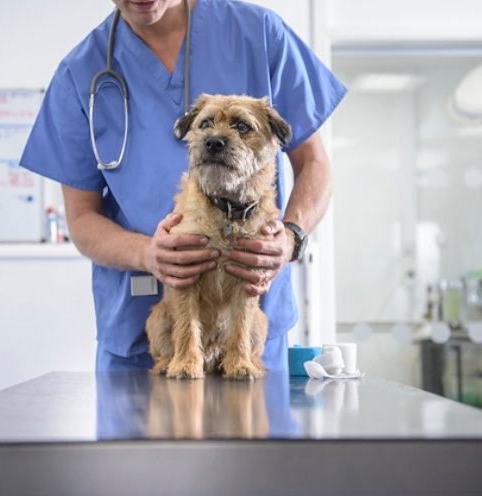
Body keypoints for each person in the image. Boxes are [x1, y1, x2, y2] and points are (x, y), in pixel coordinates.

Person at [20, 0, 346, 372]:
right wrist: (148, 254)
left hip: (248, 325)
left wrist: (290, 238)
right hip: (142, 334)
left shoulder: (259, 33)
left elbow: (315, 164)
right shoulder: (80, 73)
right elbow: (80, 217)